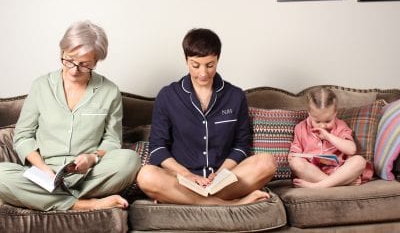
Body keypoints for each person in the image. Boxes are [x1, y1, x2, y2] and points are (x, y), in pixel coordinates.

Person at [0, 20, 141, 211]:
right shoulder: (41, 86)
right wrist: (43, 169)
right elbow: (23, 136)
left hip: (88, 175)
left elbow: (112, 141)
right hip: (44, 173)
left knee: (129, 160)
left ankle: (49, 199)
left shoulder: (109, 91)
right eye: (69, 60)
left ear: (96, 62)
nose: (74, 70)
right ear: (62, 52)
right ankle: (83, 204)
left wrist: (91, 158)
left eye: (84, 65)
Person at [137, 28, 276, 205]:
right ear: (186, 60)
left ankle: (186, 200)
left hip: (225, 180)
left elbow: (241, 145)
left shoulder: (235, 96)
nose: (203, 73)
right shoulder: (167, 96)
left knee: (267, 162)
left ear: (218, 59)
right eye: (195, 65)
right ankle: (227, 204)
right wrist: (186, 174)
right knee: (146, 175)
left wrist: (220, 174)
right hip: (182, 181)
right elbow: (157, 148)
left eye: (210, 65)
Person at [288, 87, 373, 188]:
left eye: (328, 121)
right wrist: (292, 156)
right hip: (313, 172)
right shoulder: (301, 128)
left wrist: (328, 136)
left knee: (359, 161)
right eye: (317, 121)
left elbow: (351, 150)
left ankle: (318, 186)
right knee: (295, 163)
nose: (323, 126)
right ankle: (339, 184)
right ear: (309, 113)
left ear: (335, 113)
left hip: (339, 171)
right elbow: (295, 153)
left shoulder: (340, 126)